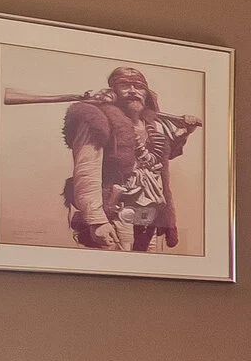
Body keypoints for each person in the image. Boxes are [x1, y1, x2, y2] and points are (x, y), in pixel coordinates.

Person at [43, 66, 202, 251]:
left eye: (138, 86)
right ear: (113, 91)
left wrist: (185, 132)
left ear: (146, 93)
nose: (133, 91)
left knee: (148, 272)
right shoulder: (97, 119)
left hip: (149, 215)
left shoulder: (155, 125)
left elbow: (163, 156)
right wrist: (97, 220)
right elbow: (87, 170)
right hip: (114, 213)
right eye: (125, 85)